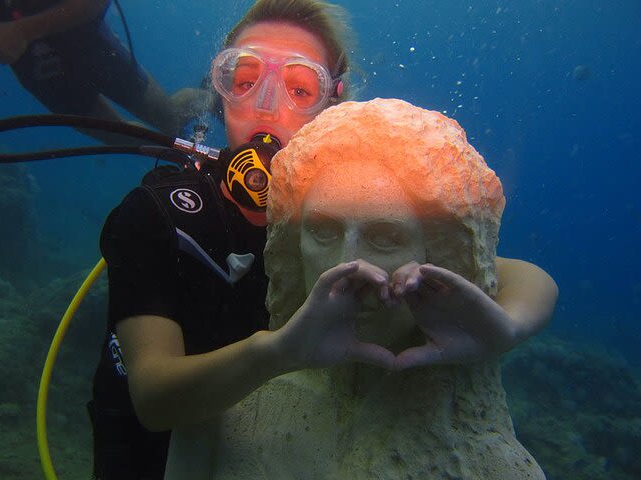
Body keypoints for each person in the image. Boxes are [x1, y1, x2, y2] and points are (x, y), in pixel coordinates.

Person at [89, 1, 558, 478]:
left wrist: (505, 328)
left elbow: (517, 275)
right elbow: (153, 398)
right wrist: (280, 352)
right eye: (245, 80)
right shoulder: (161, 217)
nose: (266, 106)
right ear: (220, 91)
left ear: (332, 106)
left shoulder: (338, 208)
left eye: (299, 88)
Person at [161, 98, 545, 479]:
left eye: (384, 238)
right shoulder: (222, 417)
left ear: (440, 254)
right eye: (323, 231)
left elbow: (525, 279)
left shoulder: (492, 466)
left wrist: (507, 328)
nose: (348, 266)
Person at [0, 0, 209, 143]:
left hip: (86, 41)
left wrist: (22, 31)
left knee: (168, 120)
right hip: (36, 68)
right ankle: (184, 162)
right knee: (118, 137)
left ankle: (213, 91)